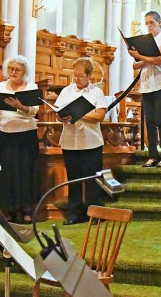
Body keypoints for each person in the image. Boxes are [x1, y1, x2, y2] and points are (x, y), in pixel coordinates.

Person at [55, 57, 108, 225]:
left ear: (89, 75)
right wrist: (62, 117)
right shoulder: (66, 91)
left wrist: (80, 113)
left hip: (91, 142)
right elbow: (58, 114)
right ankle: (75, 213)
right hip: (70, 141)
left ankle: (95, 213)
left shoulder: (96, 93)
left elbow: (99, 115)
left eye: (80, 76)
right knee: (73, 179)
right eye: (74, 75)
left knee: (93, 179)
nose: (76, 79)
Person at [0, 55, 41, 224]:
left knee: (25, 171)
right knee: (6, 172)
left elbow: (34, 111)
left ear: (24, 71)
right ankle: (8, 209)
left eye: (17, 69)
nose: (13, 72)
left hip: (25, 135)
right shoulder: (1, 86)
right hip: (6, 134)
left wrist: (20, 107)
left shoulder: (31, 86)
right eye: (11, 69)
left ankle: (26, 210)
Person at [129, 11, 161, 167]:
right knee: (149, 122)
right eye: (146, 23)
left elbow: (159, 59)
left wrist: (141, 57)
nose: (149, 26)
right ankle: (153, 155)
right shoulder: (145, 41)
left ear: (159, 23)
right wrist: (140, 57)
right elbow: (135, 65)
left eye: (152, 23)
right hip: (147, 85)